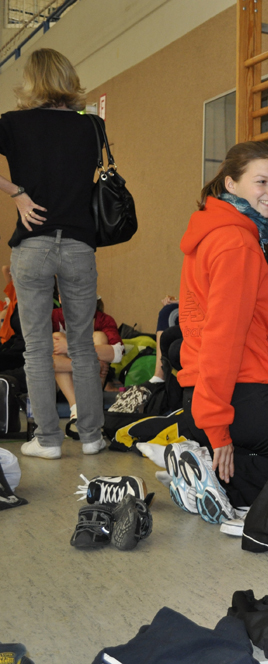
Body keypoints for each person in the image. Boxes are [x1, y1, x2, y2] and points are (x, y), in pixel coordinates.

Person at [170, 141, 268, 525]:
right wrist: (218, 426)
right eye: (262, 182)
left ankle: (219, 482)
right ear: (231, 184)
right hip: (238, 397)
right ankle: (221, 478)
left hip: (201, 394)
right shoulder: (237, 242)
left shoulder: (211, 231)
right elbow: (223, 338)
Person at [0, 49, 107, 458]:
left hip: (33, 243)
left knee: (37, 347)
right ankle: (92, 436)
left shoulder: (13, 123)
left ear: (32, 80)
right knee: (81, 345)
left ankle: (47, 440)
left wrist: (17, 192)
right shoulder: (92, 125)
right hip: (79, 244)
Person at [53, 294, 124, 439]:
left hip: (91, 384)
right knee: (57, 337)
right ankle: (77, 409)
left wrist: (70, 347)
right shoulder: (53, 317)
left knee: (99, 337)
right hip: (59, 383)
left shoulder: (103, 319)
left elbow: (117, 353)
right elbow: (44, 360)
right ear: (61, 298)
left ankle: (88, 407)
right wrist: (90, 364)